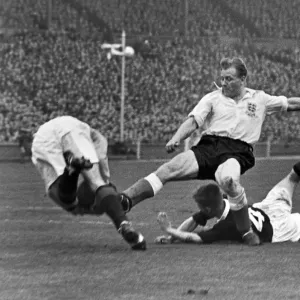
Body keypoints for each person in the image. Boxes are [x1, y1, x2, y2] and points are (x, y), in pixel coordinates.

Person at [120, 57, 300, 246]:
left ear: (243, 79)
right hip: (209, 146)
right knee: (169, 169)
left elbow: (290, 103)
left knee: (228, 180)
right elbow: (193, 121)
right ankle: (126, 200)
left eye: (229, 78)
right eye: (222, 78)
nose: (223, 83)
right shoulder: (212, 98)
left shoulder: (260, 99)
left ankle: (246, 232)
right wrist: (176, 138)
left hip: (238, 151)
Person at [31, 116, 146, 250]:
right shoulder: (97, 139)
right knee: (97, 183)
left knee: (66, 201)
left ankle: (72, 171)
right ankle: (123, 224)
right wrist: (103, 184)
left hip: (41, 139)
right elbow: (101, 185)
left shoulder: (93, 135)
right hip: (70, 128)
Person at [155, 161, 300, 245]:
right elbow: (194, 220)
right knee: (293, 176)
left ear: (208, 209)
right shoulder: (225, 199)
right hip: (267, 207)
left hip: (278, 229)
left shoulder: (226, 226)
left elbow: (194, 238)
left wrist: (169, 229)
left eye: (200, 208)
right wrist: (171, 239)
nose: (199, 211)